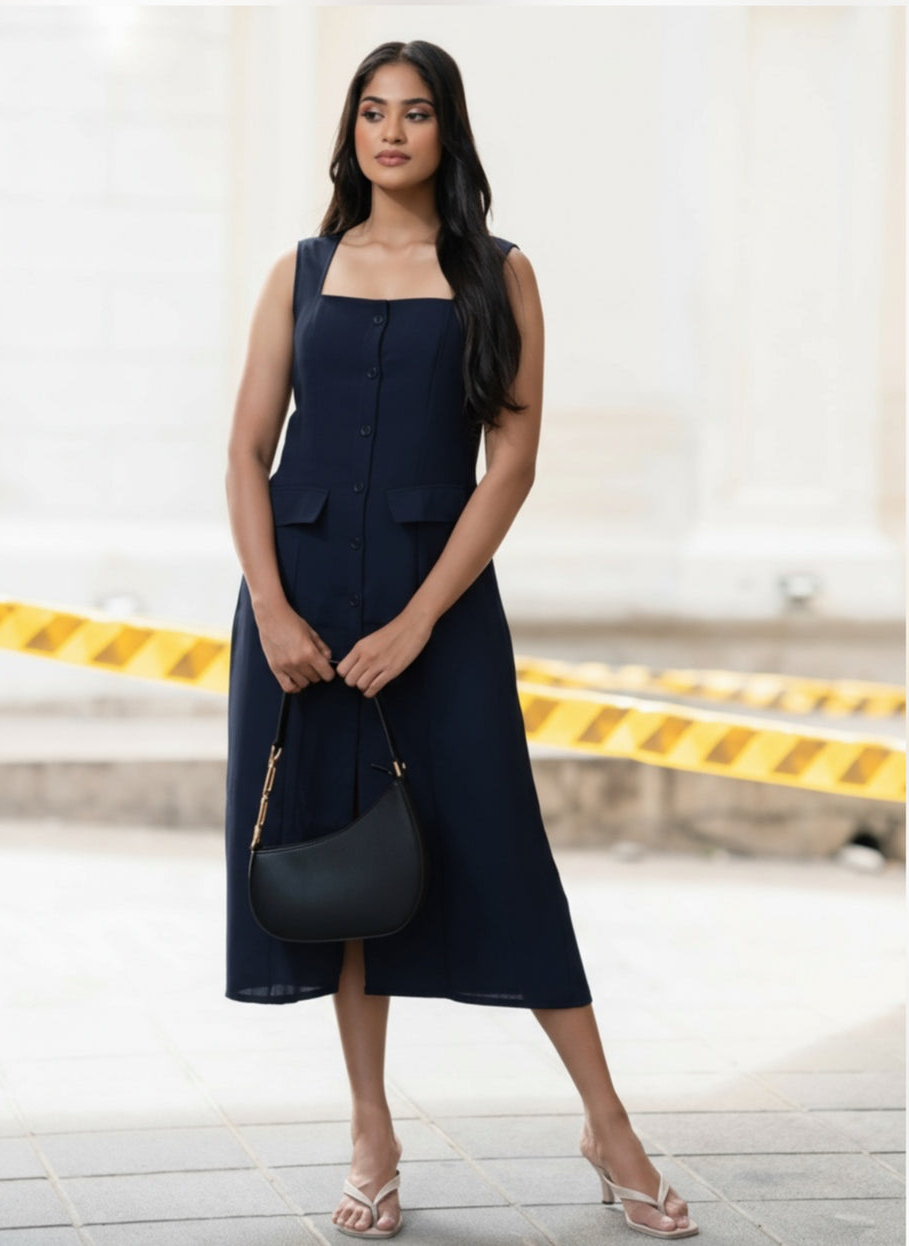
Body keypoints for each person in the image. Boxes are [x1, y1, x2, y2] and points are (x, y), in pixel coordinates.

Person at [223, 39, 698, 1243]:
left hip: (442, 607)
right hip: (304, 606)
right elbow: (244, 452)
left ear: (448, 131)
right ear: (352, 132)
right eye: (373, 112)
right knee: (340, 871)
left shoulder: (501, 273)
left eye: (416, 113)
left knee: (502, 847)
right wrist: (275, 608)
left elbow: (514, 464)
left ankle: (608, 1124)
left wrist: (422, 616)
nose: (392, 132)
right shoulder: (302, 269)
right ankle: (370, 1137)